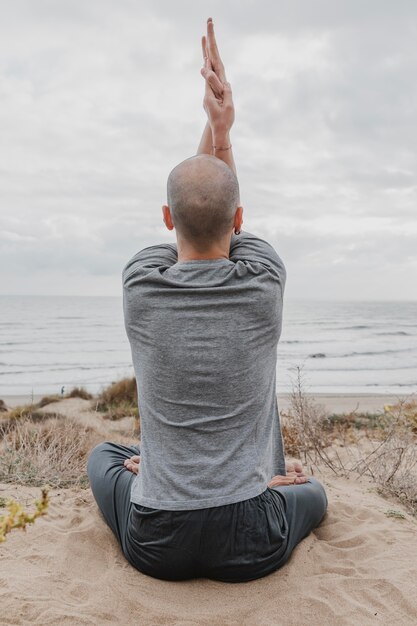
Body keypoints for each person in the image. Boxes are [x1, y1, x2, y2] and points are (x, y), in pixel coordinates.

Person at [87, 18, 327, 582]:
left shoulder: (140, 284)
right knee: (312, 489)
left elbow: (202, 209)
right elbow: (217, 206)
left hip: (157, 544)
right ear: (241, 221)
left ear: (167, 220)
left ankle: (157, 470)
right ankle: (267, 478)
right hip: (252, 541)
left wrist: (212, 132)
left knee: (105, 455)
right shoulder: (264, 279)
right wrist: (223, 133)